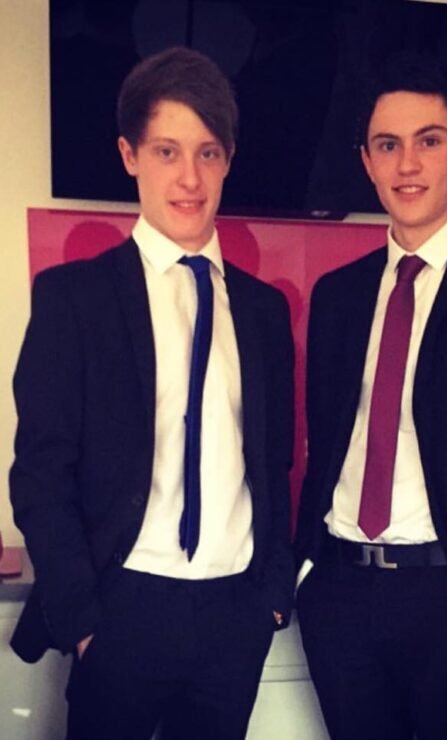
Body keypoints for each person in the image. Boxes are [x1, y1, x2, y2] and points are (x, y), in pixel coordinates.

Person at [10, 46, 295, 740]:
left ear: (228, 159)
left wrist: (270, 596)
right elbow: (41, 475)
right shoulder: (73, 299)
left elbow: (275, 460)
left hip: (235, 613)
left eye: (207, 153)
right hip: (121, 609)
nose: (189, 177)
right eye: (167, 151)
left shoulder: (263, 311)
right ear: (129, 155)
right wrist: (83, 621)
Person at [295, 51, 447, 740]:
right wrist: (306, 573)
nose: (407, 164)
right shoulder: (338, 296)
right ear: (367, 162)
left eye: (429, 140)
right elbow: (324, 447)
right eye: (387, 145)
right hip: (339, 594)